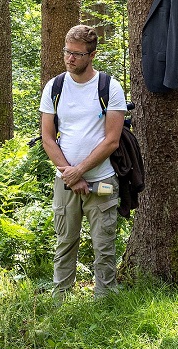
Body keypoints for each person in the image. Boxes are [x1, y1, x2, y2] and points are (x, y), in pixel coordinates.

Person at [41, 24, 126, 298]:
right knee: (65, 241)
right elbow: (47, 138)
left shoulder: (108, 87)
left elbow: (112, 140)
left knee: (104, 244)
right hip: (65, 182)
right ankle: (60, 298)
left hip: (101, 179)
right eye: (67, 52)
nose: (70, 58)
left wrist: (80, 172)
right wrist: (69, 174)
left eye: (77, 54)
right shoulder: (54, 87)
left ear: (91, 55)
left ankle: (106, 299)